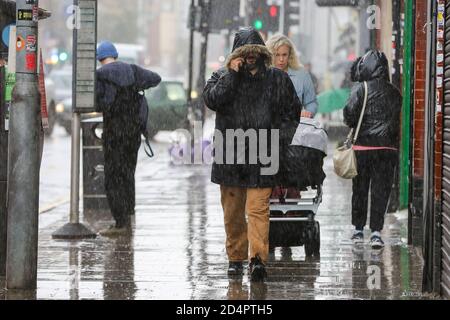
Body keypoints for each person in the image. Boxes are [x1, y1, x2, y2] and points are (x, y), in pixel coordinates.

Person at [203, 27, 301, 282]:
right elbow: (212, 100)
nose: (250, 56)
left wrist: (279, 140)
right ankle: (235, 259)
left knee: (258, 210)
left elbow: (292, 112)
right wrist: (232, 76)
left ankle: (257, 260)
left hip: (263, 156)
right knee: (233, 213)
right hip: (230, 157)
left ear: (261, 54)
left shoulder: (277, 80)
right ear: (236, 55)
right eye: (244, 52)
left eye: (254, 52)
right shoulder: (222, 77)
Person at [96, 41, 161, 236]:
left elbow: (98, 104)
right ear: (115, 55)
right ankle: (128, 215)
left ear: (100, 59)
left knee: (112, 178)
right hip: (132, 133)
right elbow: (155, 78)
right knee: (127, 174)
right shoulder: (132, 70)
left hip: (113, 134)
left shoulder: (99, 75)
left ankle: (120, 222)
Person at [343, 50, 402, 250]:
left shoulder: (361, 89)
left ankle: (358, 229)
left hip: (363, 148)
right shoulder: (395, 92)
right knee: (381, 190)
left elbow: (349, 115)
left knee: (360, 189)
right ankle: (376, 232)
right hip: (387, 149)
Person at [266, 34, 318, 118]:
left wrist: (308, 112)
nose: (281, 59)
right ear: (270, 55)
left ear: (290, 55)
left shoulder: (302, 74)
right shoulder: (261, 75)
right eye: (277, 55)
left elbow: (311, 102)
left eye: (284, 55)